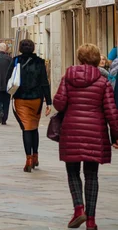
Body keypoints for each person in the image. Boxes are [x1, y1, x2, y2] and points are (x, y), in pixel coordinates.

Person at [54, 43, 118, 230]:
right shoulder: (103, 81)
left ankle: (78, 208)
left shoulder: (68, 77)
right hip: (95, 133)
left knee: (73, 172)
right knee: (92, 176)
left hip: (71, 130)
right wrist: (115, 135)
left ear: (79, 58)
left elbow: (59, 104)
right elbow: (111, 112)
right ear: (98, 59)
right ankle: (91, 220)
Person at [6, 39, 51, 173]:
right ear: (33, 48)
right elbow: (44, 83)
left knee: (26, 128)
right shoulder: (40, 62)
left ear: (20, 48)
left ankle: (28, 159)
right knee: (34, 127)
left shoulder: (15, 60)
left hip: (20, 99)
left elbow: (8, 78)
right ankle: (36, 156)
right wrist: (49, 101)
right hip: (36, 99)